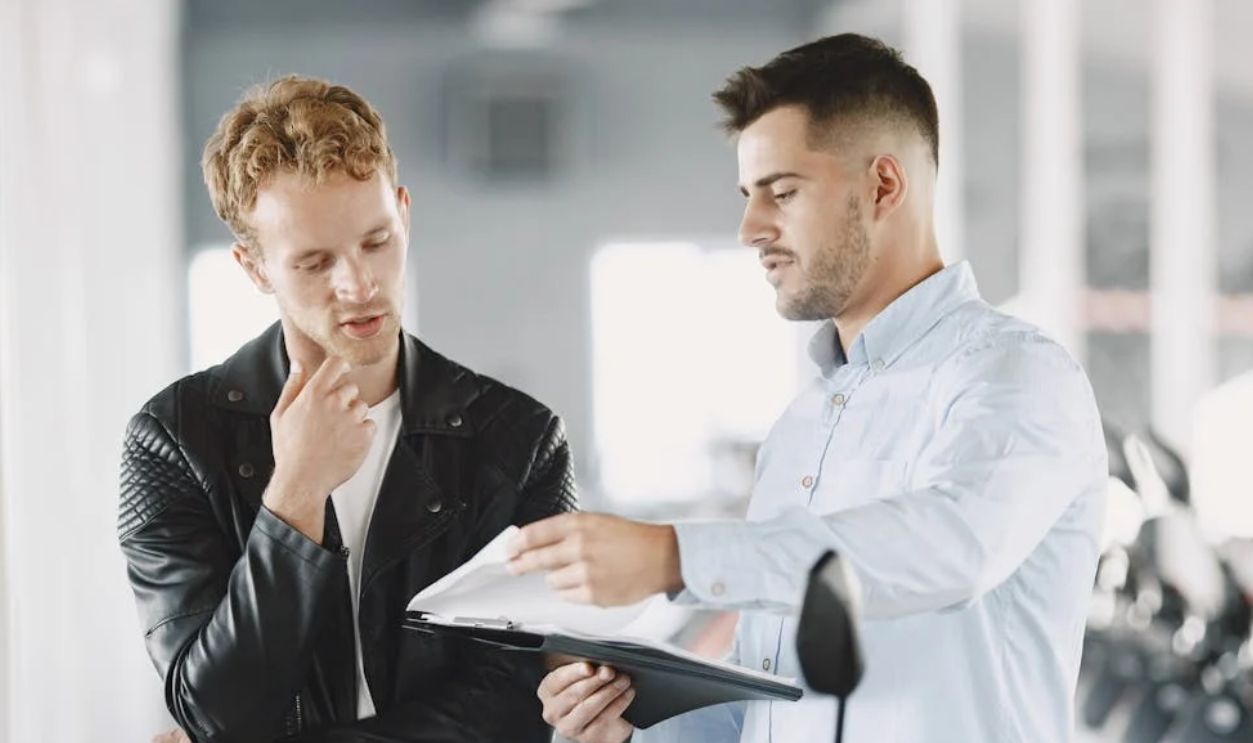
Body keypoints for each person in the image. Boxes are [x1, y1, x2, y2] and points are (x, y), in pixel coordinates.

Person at [507, 34, 1107, 743]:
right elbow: (773, 705)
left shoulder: (1013, 374)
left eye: (781, 192)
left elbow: (951, 547)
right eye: (747, 195)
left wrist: (673, 556)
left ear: (882, 185)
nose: (749, 228)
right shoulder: (804, 422)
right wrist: (627, 728)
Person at [118, 75, 575, 742]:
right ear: (254, 269)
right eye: (313, 262)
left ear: (404, 212)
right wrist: (294, 495)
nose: (358, 285)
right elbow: (219, 709)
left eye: (376, 241)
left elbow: (515, 701)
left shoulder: (519, 438)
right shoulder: (174, 440)